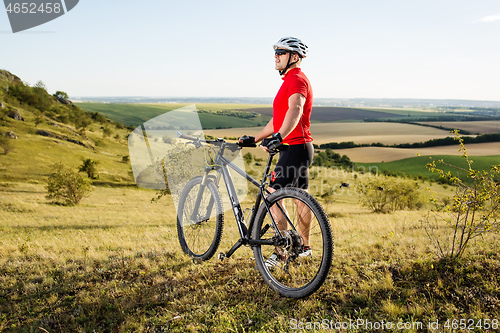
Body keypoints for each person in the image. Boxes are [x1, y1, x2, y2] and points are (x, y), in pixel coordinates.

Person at [239, 36, 314, 266]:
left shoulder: (297, 79)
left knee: (273, 197)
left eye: (281, 52)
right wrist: (257, 138)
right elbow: (277, 120)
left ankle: (281, 252)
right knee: (301, 199)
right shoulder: (288, 81)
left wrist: (280, 137)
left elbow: (296, 109)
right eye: (276, 52)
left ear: (294, 57)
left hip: (294, 147)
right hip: (295, 148)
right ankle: (303, 248)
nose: (276, 56)